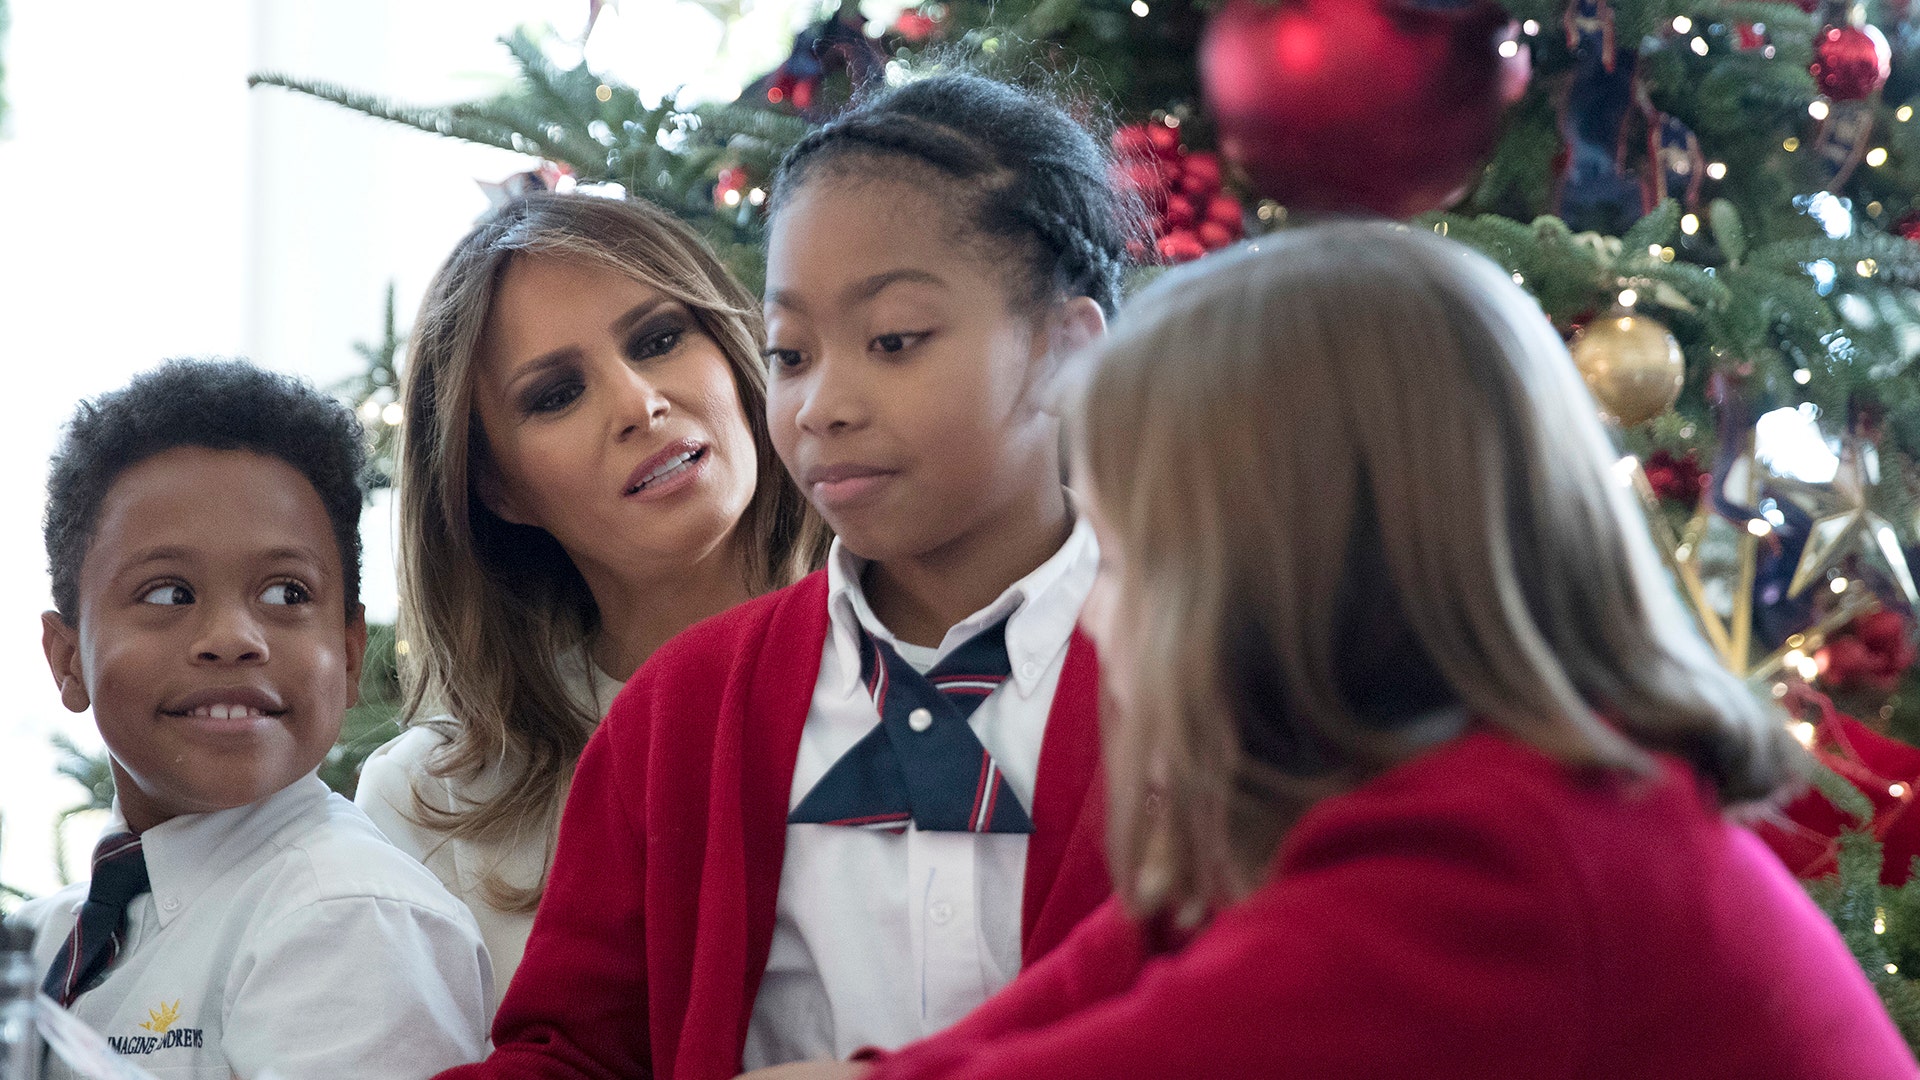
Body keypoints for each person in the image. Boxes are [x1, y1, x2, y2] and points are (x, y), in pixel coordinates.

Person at [741, 224, 1920, 1080]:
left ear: (1286, 574)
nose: (1096, 614)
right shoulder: (1418, 808)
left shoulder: (1496, 861)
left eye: (1128, 558)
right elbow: (1064, 1004)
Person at [435, 72, 1137, 1080]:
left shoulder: (1228, 688)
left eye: (893, 341)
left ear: (1067, 352)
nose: (822, 405)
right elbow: (570, 1054)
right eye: (791, 353)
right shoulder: (677, 714)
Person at [355, 192, 823, 1005]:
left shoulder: (932, 652)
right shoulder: (429, 800)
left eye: (660, 340)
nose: (638, 405)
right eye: (555, 395)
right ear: (497, 487)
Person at [10, 360, 492, 1080]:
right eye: (169, 593)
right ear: (67, 659)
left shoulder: (346, 915)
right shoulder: (40, 940)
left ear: (349, 655)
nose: (234, 638)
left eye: (286, 592)